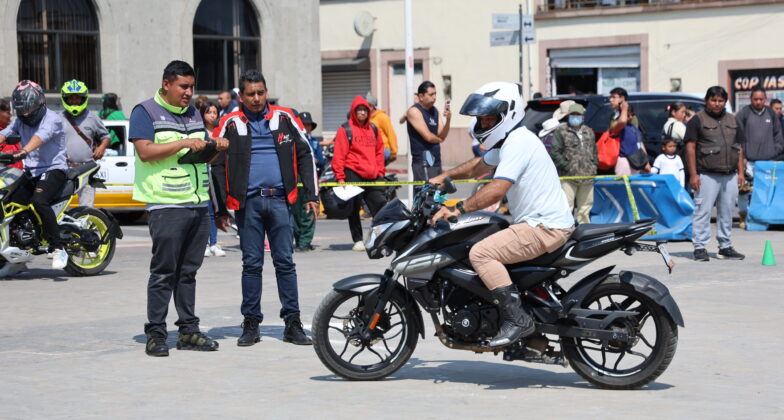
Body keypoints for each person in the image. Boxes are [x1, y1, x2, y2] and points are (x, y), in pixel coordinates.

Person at [429, 82, 574, 349]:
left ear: (508, 114)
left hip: (543, 227)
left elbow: (497, 190)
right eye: (481, 119)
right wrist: (444, 176)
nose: (484, 124)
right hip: (540, 223)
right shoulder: (511, 141)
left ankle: (517, 321)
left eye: (489, 118)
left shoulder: (518, 142)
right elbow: (478, 166)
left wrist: (456, 209)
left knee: (481, 254)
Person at [213, 69, 319, 347]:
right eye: (251, 94)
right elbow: (215, 162)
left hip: (281, 202)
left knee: (285, 262)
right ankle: (250, 324)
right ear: (241, 96)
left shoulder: (285, 117)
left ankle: (292, 324)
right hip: (248, 205)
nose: (257, 98)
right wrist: (220, 207)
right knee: (251, 265)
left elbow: (305, 152)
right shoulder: (230, 122)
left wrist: (312, 194)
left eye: (261, 92)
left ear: (266, 91)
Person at [130, 60, 228, 357]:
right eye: (183, 86)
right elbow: (145, 152)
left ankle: (188, 331)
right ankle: (156, 333)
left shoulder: (194, 113)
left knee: (188, 272)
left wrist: (214, 147)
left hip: (197, 203)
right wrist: (184, 142)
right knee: (164, 272)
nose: (188, 92)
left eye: (191, 87)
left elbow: (199, 158)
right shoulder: (145, 111)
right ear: (167, 84)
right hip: (166, 204)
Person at [0, 81, 69, 270]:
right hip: (31, 172)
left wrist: (23, 151)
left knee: (39, 201)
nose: (27, 114)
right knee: (9, 201)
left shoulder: (52, 119)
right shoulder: (21, 119)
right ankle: (17, 250)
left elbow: (40, 137)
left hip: (53, 169)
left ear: (39, 103)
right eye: (23, 110)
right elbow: (6, 133)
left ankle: (58, 248)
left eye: (29, 109)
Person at [684, 86, 745, 262]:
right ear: (706, 100)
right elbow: (690, 147)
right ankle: (700, 248)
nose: (717, 104)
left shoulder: (733, 120)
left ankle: (725, 247)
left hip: (730, 175)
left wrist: (741, 173)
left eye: (720, 100)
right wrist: (693, 174)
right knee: (702, 211)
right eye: (713, 100)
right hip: (706, 174)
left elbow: (739, 148)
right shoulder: (697, 120)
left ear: (725, 102)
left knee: (727, 212)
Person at [332, 95, 387, 252]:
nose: (362, 112)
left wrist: (380, 172)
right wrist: (340, 178)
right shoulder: (345, 129)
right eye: (359, 110)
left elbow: (379, 152)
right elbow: (339, 155)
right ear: (353, 112)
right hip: (352, 172)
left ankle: (378, 239)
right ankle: (358, 240)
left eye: (364, 109)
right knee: (354, 208)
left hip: (372, 174)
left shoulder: (374, 129)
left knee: (380, 206)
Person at [735, 88, 784, 229]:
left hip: (768, 162)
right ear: (751, 99)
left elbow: (778, 135)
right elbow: (738, 138)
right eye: (755, 99)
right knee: (745, 190)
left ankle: (764, 218)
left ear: (765, 99)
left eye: (761, 99)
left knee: (766, 191)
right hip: (748, 161)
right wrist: (742, 157)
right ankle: (744, 216)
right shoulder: (744, 113)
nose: (758, 102)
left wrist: (775, 151)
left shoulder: (771, 113)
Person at [59, 79, 111, 207]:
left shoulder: (93, 117)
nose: (74, 101)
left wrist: (101, 148)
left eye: (77, 98)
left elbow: (106, 136)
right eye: (71, 98)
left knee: (87, 207)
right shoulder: (58, 118)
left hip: (87, 168)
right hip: (65, 169)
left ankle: (85, 227)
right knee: (62, 206)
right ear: (66, 99)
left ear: (83, 99)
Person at [549, 103, 597, 224]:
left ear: (583, 116)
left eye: (578, 115)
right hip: (568, 177)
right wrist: (567, 166)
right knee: (566, 206)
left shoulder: (589, 131)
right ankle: (566, 230)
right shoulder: (561, 131)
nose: (575, 117)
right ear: (569, 116)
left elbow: (594, 151)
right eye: (573, 115)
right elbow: (555, 152)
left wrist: (594, 165)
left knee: (585, 208)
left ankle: (584, 230)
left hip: (587, 176)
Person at [406, 81, 451, 180]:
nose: (434, 97)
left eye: (435, 94)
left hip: (436, 160)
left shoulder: (435, 111)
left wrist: (448, 120)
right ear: (421, 96)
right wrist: (439, 140)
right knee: (426, 194)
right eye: (431, 94)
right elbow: (428, 136)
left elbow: (442, 134)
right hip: (423, 162)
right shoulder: (414, 111)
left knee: (437, 194)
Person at [292, 111, 323, 252]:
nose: (305, 127)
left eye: (308, 125)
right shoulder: (292, 139)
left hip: (311, 179)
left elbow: (321, 161)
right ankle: (298, 239)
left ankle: (305, 240)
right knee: (296, 212)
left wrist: (315, 161)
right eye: (303, 124)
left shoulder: (314, 142)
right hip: (296, 178)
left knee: (309, 210)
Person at [199, 101, 226, 258]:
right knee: (206, 210)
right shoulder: (199, 132)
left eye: (215, 112)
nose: (212, 115)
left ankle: (214, 243)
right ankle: (204, 244)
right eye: (209, 112)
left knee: (215, 211)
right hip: (203, 174)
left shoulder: (220, 131)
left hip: (216, 174)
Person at [608, 88, 650, 175]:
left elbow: (638, 140)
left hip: (631, 158)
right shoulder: (613, 115)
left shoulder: (630, 118)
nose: (610, 100)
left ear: (622, 98)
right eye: (610, 97)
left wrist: (645, 160)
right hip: (618, 156)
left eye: (613, 97)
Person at [365, 93, 398, 163]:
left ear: (371, 106)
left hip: (383, 149)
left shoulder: (382, 117)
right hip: (372, 148)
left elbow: (391, 133)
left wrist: (394, 152)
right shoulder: (366, 118)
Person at [0, 100, 22, 169]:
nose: (11, 115)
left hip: (19, 175)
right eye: (8, 112)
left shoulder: (12, 130)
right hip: (5, 177)